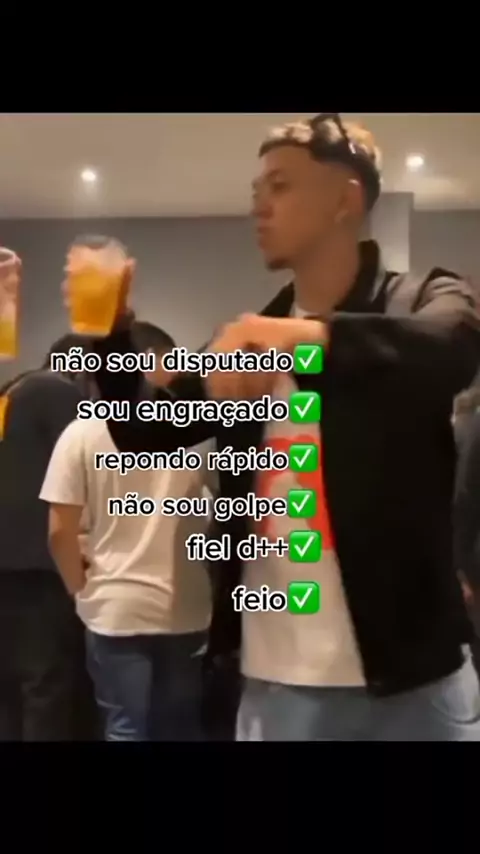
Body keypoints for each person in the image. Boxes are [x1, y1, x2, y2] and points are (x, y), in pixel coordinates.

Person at [89, 113, 480, 741]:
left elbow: (451, 347)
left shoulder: (419, 300)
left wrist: (302, 342)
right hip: (277, 687)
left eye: (280, 186)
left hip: (415, 684)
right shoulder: (241, 344)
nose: (258, 207)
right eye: (256, 191)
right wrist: (110, 334)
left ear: (344, 201)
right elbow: (143, 430)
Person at [40, 322, 214, 742]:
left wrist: (79, 589)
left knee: (125, 729)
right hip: (185, 605)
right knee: (181, 729)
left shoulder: (81, 433)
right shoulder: (198, 436)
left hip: (114, 606)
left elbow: (60, 531)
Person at [0, 332, 97, 741]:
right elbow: (88, 474)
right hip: (39, 566)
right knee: (46, 687)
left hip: (8, 563)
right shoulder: (60, 396)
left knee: (11, 691)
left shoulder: (13, 390)